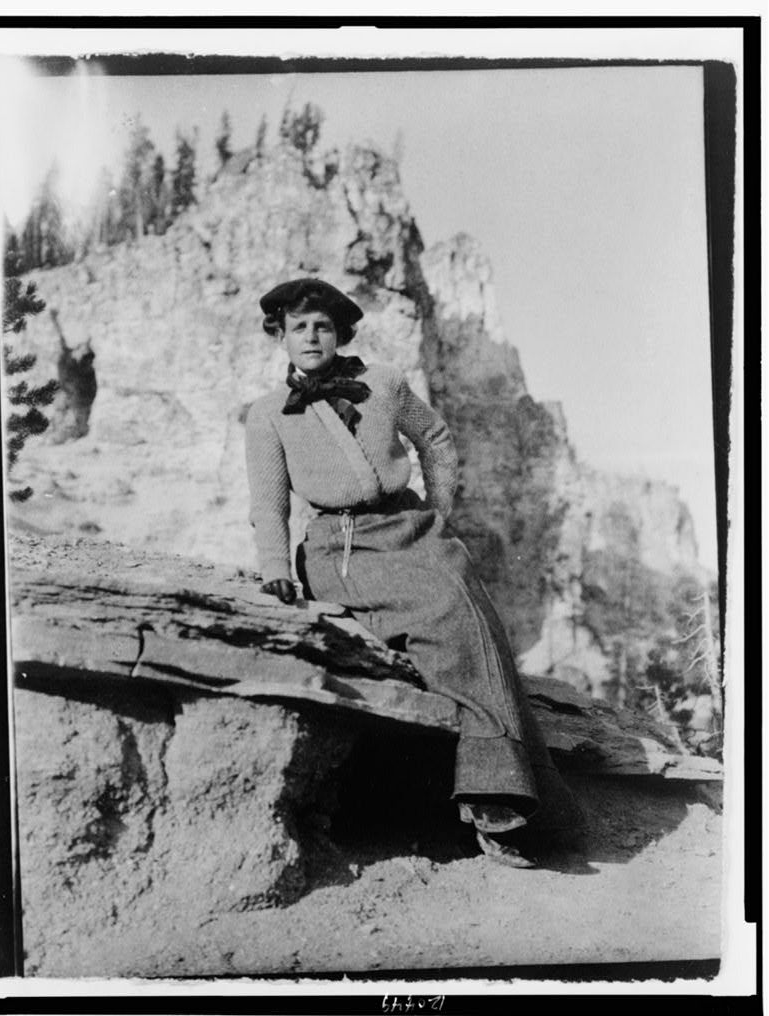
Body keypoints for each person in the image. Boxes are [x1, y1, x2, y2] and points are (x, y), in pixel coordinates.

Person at [245, 277, 581, 868]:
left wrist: (440, 511)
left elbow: (435, 438)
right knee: (445, 610)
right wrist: (276, 568)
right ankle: (491, 797)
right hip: (340, 548)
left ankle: (528, 795)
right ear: (282, 337)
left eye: (322, 325)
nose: (311, 336)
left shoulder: (385, 383)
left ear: (341, 332)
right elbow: (268, 505)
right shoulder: (268, 414)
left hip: (412, 529)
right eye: (298, 327)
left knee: (474, 612)